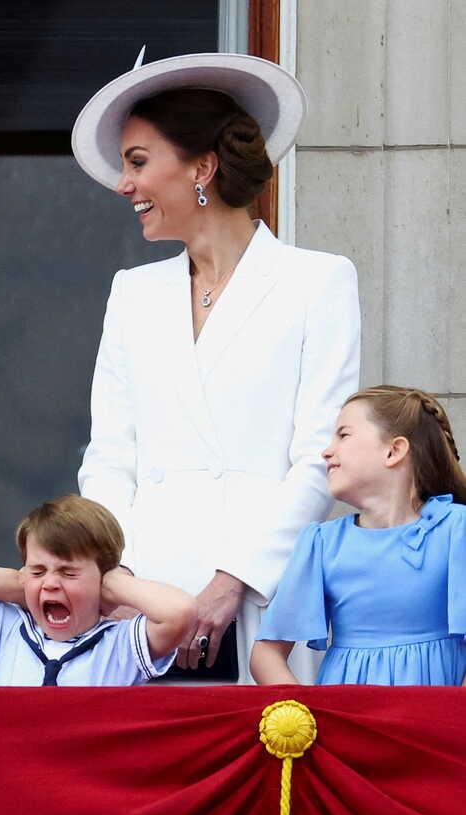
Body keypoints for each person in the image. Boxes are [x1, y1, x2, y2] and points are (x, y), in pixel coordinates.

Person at [70, 52, 361, 683]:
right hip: (143, 605)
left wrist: (235, 580)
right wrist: (118, 579)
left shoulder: (318, 282)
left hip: (262, 597)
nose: (125, 185)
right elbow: (110, 456)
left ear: (202, 166)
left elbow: (319, 455)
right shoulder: (132, 292)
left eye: (139, 162)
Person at [251, 386, 466, 686]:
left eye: (343, 435)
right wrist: (307, 720)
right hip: (347, 723)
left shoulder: (456, 530)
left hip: (432, 723)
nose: (327, 451)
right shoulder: (323, 543)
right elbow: (266, 654)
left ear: (393, 451)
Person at [0, 495, 194, 686]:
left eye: (69, 573)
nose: (51, 583)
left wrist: (112, 584)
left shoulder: (119, 646)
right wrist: (20, 586)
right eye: (38, 570)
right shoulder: (7, 633)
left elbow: (181, 612)